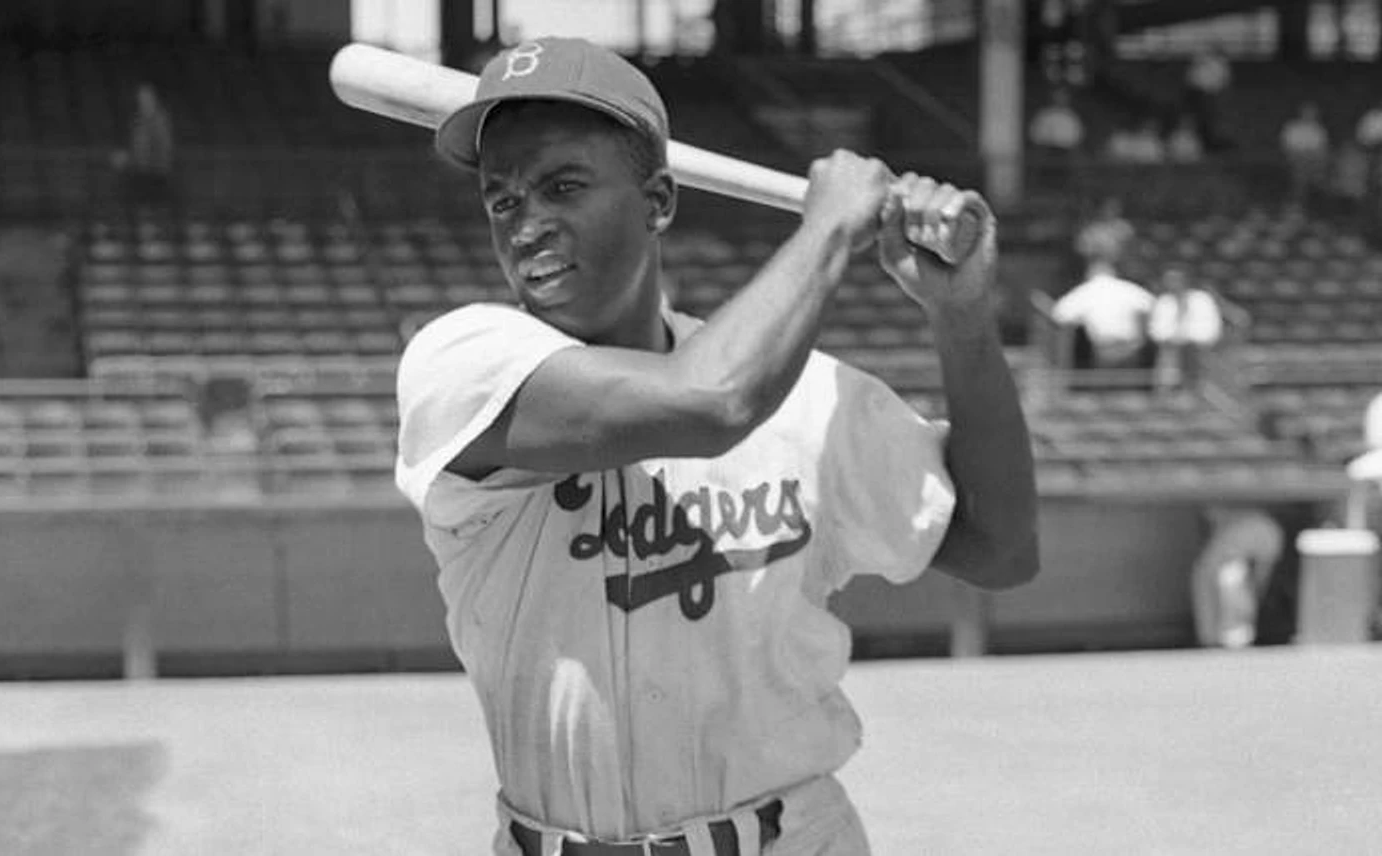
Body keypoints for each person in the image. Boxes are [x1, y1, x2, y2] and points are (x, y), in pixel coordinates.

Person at [393, 37, 1039, 855]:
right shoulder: (464, 363)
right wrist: (828, 228)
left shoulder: (804, 392)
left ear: (659, 200)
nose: (527, 225)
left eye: (563, 187)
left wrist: (962, 315)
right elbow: (712, 402)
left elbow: (999, 548)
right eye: (502, 200)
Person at [1190, 506, 1284, 649]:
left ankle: (1233, 638)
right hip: (1228, 560)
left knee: (1231, 577)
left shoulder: (1264, 532)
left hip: (1249, 548)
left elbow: (1260, 577)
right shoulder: (1211, 564)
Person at [1051, 259, 1154, 371]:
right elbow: (1151, 304)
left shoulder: (1086, 290)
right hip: (1132, 348)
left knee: (1105, 381)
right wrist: (1144, 335)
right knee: (1131, 380)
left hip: (1105, 349)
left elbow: (1060, 314)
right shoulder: (1127, 288)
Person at [1147, 265, 1223, 391]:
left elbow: (1211, 328)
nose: (1172, 283)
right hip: (1170, 349)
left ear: (1185, 280)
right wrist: (1175, 339)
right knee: (1168, 361)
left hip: (1198, 349)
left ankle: (1198, 390)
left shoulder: (1202, 299)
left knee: (1194, 357)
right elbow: (1156, 331)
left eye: (1175, 279)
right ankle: (1167, 393)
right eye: (1168, 280)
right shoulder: (1163, 301)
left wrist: (1188, 339)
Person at [115, 83, 175, 211]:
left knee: (142, 205)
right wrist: (127, 158)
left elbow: (157, 152)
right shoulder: (138, 121)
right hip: (141, 173)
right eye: (140, 99)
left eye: (146, 99)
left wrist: (128, 160)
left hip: (155, 175)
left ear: (154, 100)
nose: (142, 103)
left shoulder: (160, 121)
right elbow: (136, 147)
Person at [1028, 88, 1085, 189]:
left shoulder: (1071, 116)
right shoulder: (1044, 115)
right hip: (1047, 150)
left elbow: (1078, 136)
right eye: (1058, 96)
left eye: (1063, 97)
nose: (1060, 99)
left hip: (1066, 151)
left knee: (1071, 170)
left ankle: (1069, 189)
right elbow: (1035, 134)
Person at [1280, 102, 1330, 213]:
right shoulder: (1292, 127)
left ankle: (1315, 206)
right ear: (1301, 113)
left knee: (1318, 171)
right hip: (1294, 159)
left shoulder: (1319, 130)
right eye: (1307, 112)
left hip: (1314, 160)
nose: (1309, 115)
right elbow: (1287, 147)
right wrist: (1303, 154)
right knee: (1301, 171)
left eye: (1312, 113)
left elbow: (1322, 150)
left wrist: (1313, 156)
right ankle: (1297, 204)